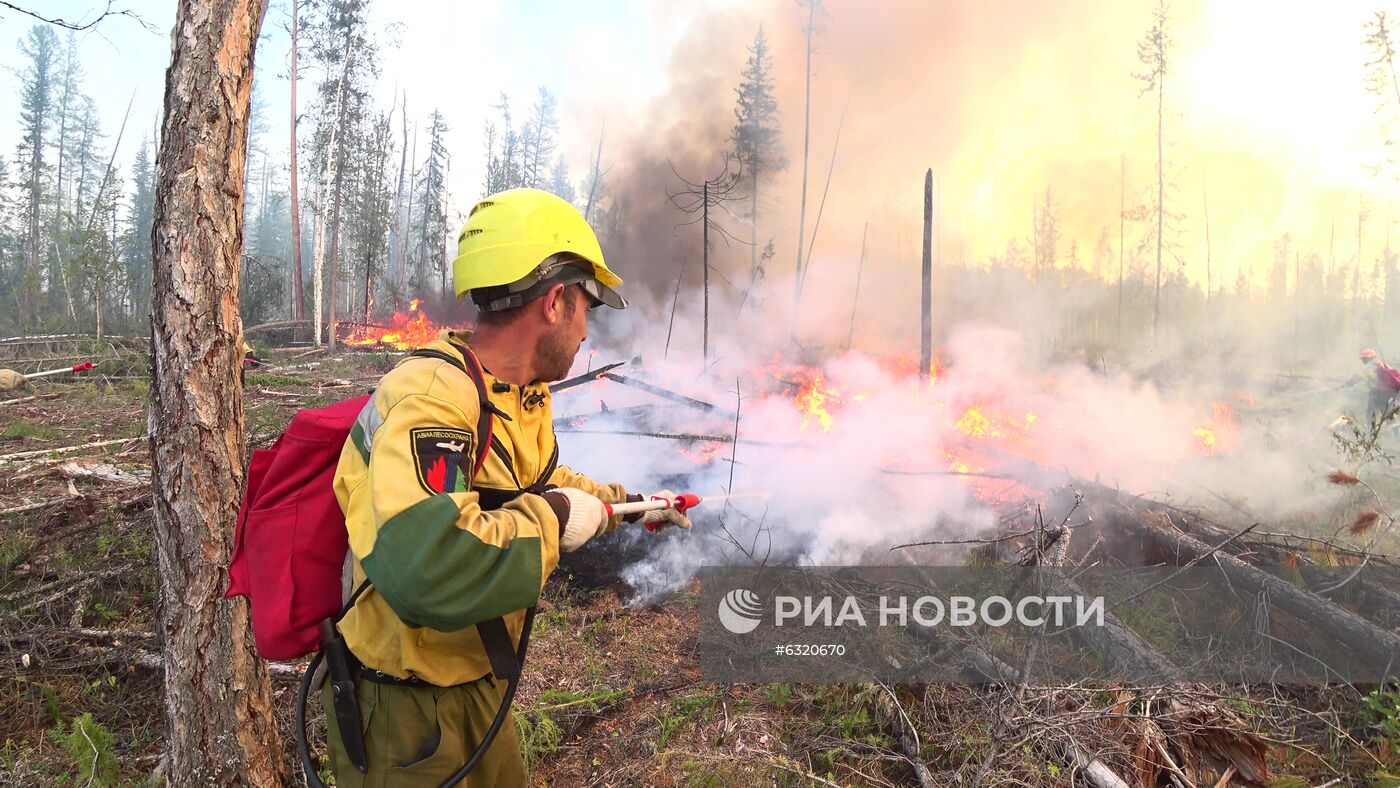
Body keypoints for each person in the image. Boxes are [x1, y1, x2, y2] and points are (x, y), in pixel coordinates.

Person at [325, 188, 690, 787]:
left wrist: (627, 505)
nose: (584, 334)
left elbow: (541, 483)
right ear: (555, 302)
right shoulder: (429, 398)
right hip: (408, 713)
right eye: (587, 310)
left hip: (479, 688)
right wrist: (552, 520)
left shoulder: (516, 394)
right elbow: (429, 565)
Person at [1359, 348, 1400, 428]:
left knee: (1370, 419)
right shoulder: (1384, 365)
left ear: (1368, 358)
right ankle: (1397, 437)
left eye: (1364, 359)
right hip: (1390, 395)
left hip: (1379, 395)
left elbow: (1373, 381)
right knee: (1389, 418)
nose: (1363, 362)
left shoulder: (1371, 366)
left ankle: (1369, 438)